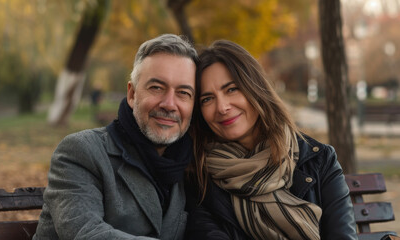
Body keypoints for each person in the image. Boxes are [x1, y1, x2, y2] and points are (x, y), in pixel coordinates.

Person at [185, 40, 357, 240]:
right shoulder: (199, 178)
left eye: (231, 89)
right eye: (207, 99)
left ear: (254, 87)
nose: (222, 107)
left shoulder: (319, 160)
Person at [33, 34, 198, 240]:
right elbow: (86, 233)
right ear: (132, 94)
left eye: (183, 93)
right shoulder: (81, 152)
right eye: (156, 88)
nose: (169, 104)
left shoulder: (192, 163)